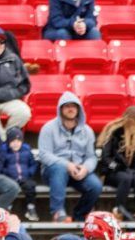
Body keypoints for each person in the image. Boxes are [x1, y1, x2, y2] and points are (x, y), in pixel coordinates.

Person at [36, 91, 103, 222]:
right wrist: (66, 164)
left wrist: (85, 168)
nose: (71, 109)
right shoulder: (48, 128)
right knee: (59, 169)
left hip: (78, 171)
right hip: (53, 172)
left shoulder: (87, 131)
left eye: (74, 106)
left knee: (95, 185)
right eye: (67, 106)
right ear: (60, 109)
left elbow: (91, 157)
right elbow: (44, 154)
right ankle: (57, 212)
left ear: (79, 109)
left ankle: (80, 214)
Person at [97, 106, 135, 222]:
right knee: (126, 177)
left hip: (132, 173)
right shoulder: (116, 132)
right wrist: (117, 167)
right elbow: (106, 158)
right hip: (112, 172)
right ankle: (118, 211)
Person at [2, 127, 39, 222]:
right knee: (10, 190)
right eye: (13, 141)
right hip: (10, 178)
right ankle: (8, 208)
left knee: (30, 187)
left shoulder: (26, 151)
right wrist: (6, 173)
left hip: (24, 177)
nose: (16, 143)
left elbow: (33, 163)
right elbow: (1, 166)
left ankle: (31, 208)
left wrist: (30, 172)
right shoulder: (4, 152)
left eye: (18, 141)